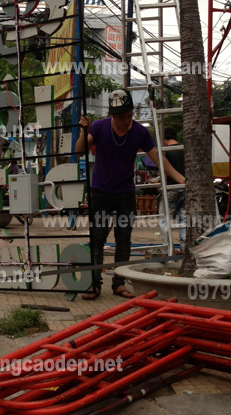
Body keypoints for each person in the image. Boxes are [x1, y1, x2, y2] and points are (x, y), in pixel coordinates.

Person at [74, 88, 185, 301]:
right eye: (122, 117)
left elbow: (158, 158)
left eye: (129, 115)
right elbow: (79, 152)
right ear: (112, 115)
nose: (127, 121)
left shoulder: (140, 132)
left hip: (125, 193)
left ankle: (119, 284)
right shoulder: (99, 127)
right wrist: (83, 131)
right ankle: (94, 284)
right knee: (97, 241)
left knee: (123, 241)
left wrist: (180, 178)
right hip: (100, 193)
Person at [158, 128, 186, 246]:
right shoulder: (184, 148)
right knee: (184, 219)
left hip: (170, 189)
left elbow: (165, 172)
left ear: (164, 138)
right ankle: (184, 248)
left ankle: (167, 247)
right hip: (185, 188)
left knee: (164, 220)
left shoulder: (165, 151)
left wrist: (160, 184)